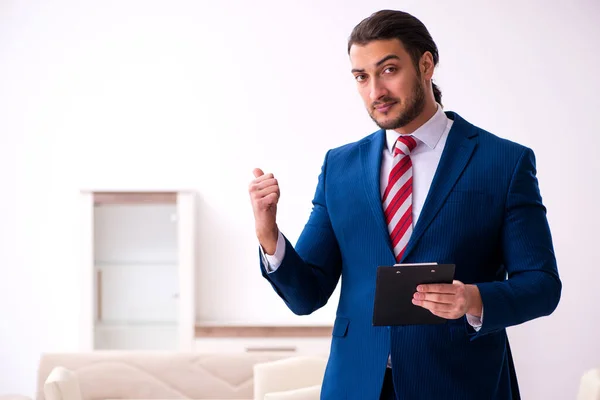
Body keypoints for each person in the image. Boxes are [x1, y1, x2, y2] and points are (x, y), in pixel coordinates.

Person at [248, 9, 561, 400]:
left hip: (462, 384)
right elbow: (306, 294)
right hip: (356, 386)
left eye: (389, 70)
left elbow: (542, 285)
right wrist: (268, 234)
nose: (375, 90)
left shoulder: (503, 162)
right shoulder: (339, 167)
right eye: (362, 77)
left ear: (426, 64)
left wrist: (473, 299)